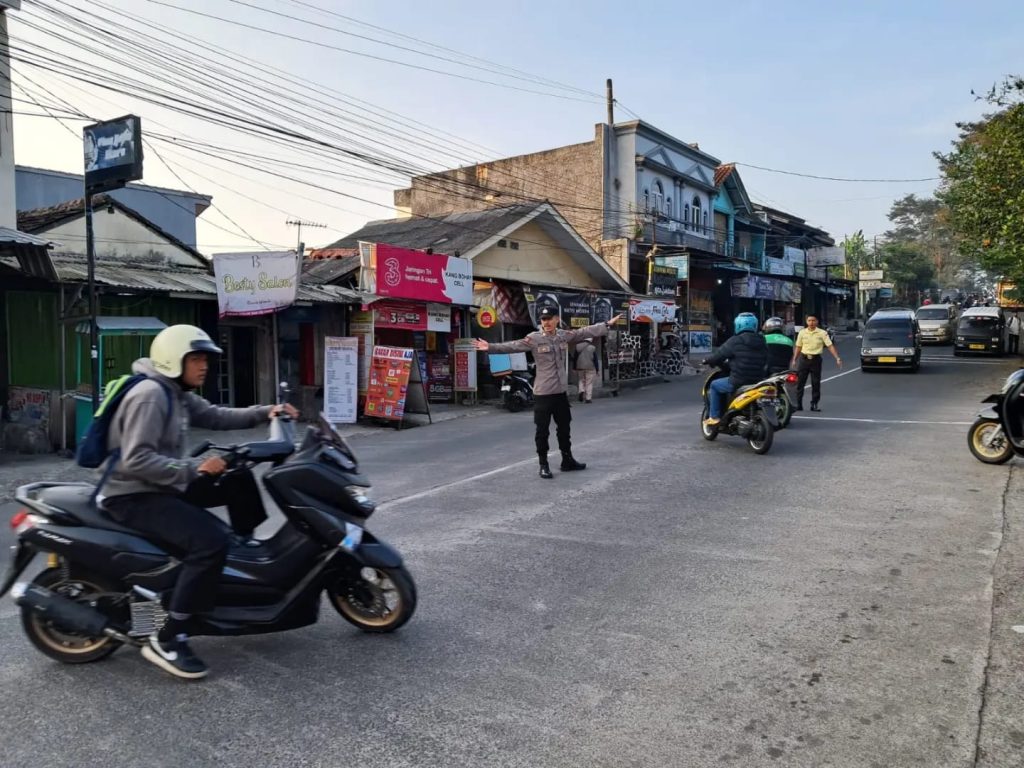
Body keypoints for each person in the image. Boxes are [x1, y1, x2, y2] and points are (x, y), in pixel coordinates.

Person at [101, 324, 298, 680]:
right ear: (173, 360)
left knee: (237, 476)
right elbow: (136, 460)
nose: (204, 365)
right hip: (134, 494)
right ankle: (170, 635)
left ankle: (242, 551)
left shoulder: (175, 392)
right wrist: (193, 468)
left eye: (205, 358)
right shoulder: (150, 396)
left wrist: (267, 411)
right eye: (196, 358)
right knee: (209, 542)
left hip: (162, 483)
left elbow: (216, 416)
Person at [473, 306, 622, 479]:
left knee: (564, 428)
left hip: (560, 393)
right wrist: (490, 346)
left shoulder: (562, 336)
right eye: (544, 319)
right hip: (543, 393)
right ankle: (543, 464)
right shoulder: (534, 339)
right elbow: (513, 346)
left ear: (557, 319)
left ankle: (567, 460)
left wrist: (606, 324)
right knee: (542, 431)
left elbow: (583, 332)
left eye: (550, 318)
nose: (547, 322)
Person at [703, 312, 768, 427]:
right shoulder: (762, 340)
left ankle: (714, 417)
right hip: (758, 380)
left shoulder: (735, 340)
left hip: (738, 380)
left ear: (737, 325)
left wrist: (708, 360)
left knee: (714, 385)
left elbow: (719, 355)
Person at [791, 315, 842, 412]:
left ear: (817, 321)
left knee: (816, 383)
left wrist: (837, 358)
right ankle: (798, 404)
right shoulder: (802, 332)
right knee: (800, 383)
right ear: (806, 321)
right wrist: (794, 359)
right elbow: (798, 347)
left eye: (813, 320)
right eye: (809, 320)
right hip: (804, 359)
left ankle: (814, 404)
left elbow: (830, 346)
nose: (811, 322)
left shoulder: (822, 333)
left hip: (816, 360)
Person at [573, 337, 599, 403]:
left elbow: (575, 358)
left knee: (581, 380)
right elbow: (595, 360)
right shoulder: (592, 348)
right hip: (590, 367)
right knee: (589, 383)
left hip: (580, 367)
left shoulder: (577, 346)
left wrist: (574, 368)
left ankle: (581, 390)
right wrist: (597, 369)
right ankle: (588, 399)